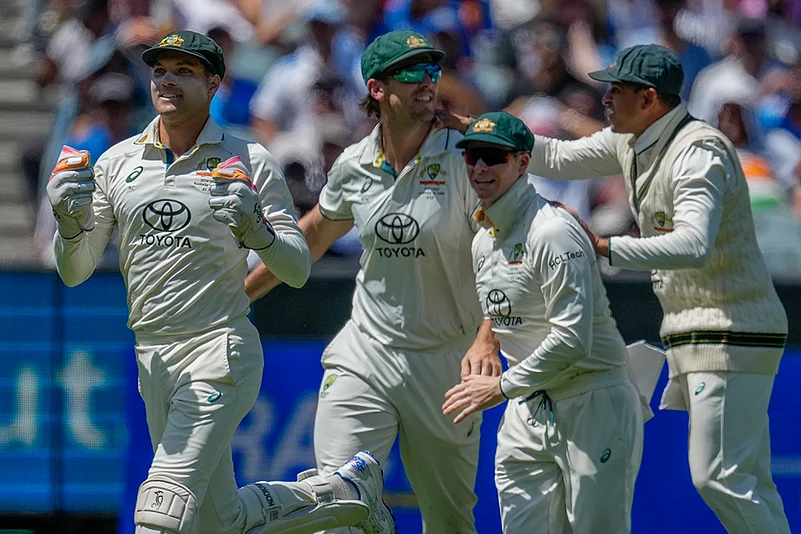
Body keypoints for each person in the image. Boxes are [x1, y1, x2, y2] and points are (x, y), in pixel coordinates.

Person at [45, 30, 395, 534]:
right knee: (221, 518)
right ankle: (346, 493)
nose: (167, 80)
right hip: (153, 358)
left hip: (218, 351)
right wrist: (69, 224)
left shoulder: (248, 159)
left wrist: (258, 230)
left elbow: (296, 267)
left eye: (183, 72)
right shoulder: (117, 162)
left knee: (160, 512)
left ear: (214, 85)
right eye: (160, 70)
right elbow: (73, 270)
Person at [450, 44, 791, 533]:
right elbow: (552, 156)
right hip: (697, 330)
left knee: (721, 475)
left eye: (617, 90)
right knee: (742, 476)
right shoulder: (629, 141)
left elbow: (694, 244)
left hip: (731, 327)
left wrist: (604, 245)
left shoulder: (699, 150)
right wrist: (472, 129)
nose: (605, 99)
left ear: (649, 98)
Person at [245, 30, 501, 533]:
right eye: (411, 73)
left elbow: (508, 254)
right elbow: (312, 236)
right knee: (333, 506)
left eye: (432, 71)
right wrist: (236, 297)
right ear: (378, 88)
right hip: (366, 351)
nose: (428, 82)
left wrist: (487, 339)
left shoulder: (468, 159)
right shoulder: (355, 164)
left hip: (447, 366)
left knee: (449, 522)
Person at [441, 111, 643, 533]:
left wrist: (499, 386)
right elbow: (511, 302)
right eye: (473, 155)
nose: (480, 167)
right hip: (527, 409)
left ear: (522, 162)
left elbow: (572, 339)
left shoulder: (552, 231)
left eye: (494, 156)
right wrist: (487, 340)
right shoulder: (483, 239)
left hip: (592, 402)